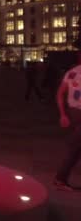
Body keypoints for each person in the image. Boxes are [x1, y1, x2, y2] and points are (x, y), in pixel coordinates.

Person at [54, 53, 81, 191]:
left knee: (76, 148)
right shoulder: (73, 73)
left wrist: (63, 114)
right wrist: (63, 114)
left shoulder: (71, 73)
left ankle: (61, 179)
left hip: (73, 112)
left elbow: (60, 93)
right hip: (77, 113)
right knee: (75, 148)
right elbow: (60, 93)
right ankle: (60, 179)